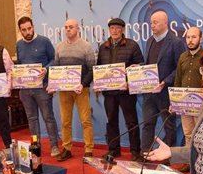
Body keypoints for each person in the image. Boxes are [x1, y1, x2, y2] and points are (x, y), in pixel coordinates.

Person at [96, 17, 145, 160]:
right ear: (109, 30)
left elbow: (140, 64)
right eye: (112, 28)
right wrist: (98, 83)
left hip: (126, 92)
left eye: (118, 28)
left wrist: (131, 78)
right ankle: (114, 149)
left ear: (123, 30)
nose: (115, 31)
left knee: (131, 122)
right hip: (109, 93)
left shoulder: (132, 45)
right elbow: (99, 67)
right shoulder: (103, 47)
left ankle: (135, 151)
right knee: (111, 121)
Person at [141, 10, 186, 153]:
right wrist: (138, 69)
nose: (152, 25)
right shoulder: (150, 41)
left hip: (166, 93)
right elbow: (149, 65)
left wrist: (165, 82)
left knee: (169, 125)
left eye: (155, 22)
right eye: (151, 22)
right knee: (147, 124)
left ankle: (168, 156)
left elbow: (179, 68)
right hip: (149, 93)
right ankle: (145, 154)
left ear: (165, 23)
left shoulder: (176, 42)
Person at [16, 16, 61, 157]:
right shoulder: (19, 45)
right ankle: (36, 146)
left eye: (29, 28)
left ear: (33, 27)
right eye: (24, 30)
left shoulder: (44, 41)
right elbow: (20, 63)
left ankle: (54, 146)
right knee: (31, 119)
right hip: (25, 89)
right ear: (20, 31)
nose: (27, 32)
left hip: (42, 87)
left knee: (48, 117)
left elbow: (55, 60)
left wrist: (46, 69)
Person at [52, 19, 95, 161]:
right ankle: (67, 148)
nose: (68, 29)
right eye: (66, 27)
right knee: (65, 121)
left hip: (80, 90)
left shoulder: (86, 46)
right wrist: (53, 84)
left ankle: (89, 150)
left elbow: (91, 69)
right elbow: (56, 68)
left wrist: (82, 84)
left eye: (71, 27)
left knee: (85, 121)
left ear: (78, 28)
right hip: (64, 90)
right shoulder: (59, 47)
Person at [174, 26, 203, 172]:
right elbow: (178, 80)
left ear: (201, 39)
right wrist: (175, 101)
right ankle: (188, 161)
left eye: (194, 37)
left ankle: (200, 162)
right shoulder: (182, 57)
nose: (190, 40)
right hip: (184, 103)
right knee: (188, 133)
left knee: (200, 134)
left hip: (201, 104)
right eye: (188, 37)